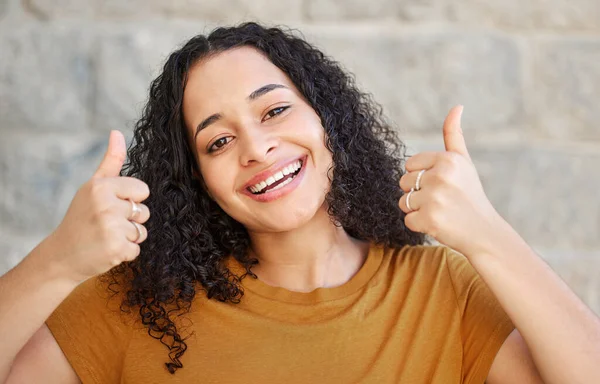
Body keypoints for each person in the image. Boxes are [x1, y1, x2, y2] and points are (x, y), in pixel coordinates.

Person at [1, 22, 599, 384]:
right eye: (218, 141)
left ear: (327, 120)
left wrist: (489, 236)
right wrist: (58, 261)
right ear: (196, 180)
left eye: (275, 110)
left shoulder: (445, 293)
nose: (257, 148)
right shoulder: (139, 306)